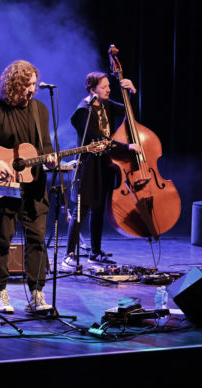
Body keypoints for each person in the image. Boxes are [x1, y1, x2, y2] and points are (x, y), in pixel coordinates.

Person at [0, 60, 57, 314]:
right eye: (28, 85)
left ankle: (37, 293)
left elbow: (45, 145)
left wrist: (50, 158)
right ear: (15, 85)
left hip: (34, 185)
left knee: (36, 239)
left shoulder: (40, 110)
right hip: (5, 186)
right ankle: (0, 292)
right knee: (1, 238)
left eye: (35, 85)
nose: (33, 90)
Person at [62, 71, 141, 270]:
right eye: (104, 86)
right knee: (81, 210)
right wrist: (127, 147)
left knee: (98, 209)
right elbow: (98, 139)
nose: (108, 89)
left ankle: (95, 252)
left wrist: (131, 92)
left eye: (108, 85)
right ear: (92, 90)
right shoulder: (83, 111)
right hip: (87, 164)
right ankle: (69, 254)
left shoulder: (106, 104)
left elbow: (128, 113)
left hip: (104, 164)